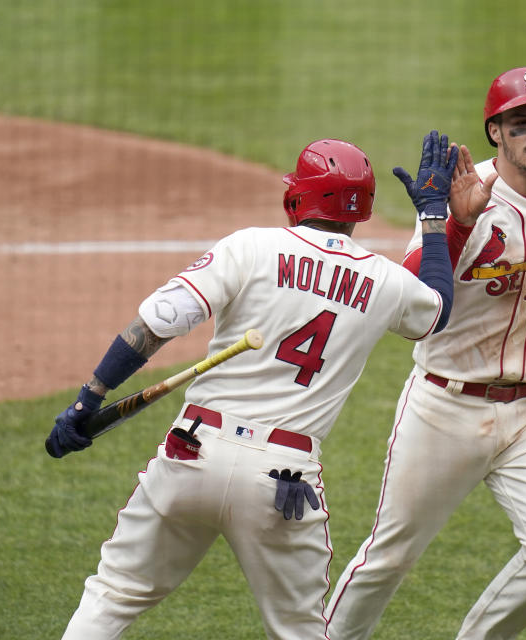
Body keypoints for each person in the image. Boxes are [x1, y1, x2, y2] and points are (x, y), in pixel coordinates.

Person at [45, 132, 460, 640]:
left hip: (190, 453)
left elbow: (159, 321)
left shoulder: (251, 246)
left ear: (299, 194)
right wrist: (435, 218)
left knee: (112, 594)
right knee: (300, 630)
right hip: (282, 479)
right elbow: (437, 310)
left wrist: (90, 397)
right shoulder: (387, 282)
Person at [326, 67, 526, 639]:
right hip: (445, 406)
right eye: (521, 123)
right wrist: (454, 222)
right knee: (389, 558)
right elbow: (411, 297)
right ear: (496, 133)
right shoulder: (461, 193)